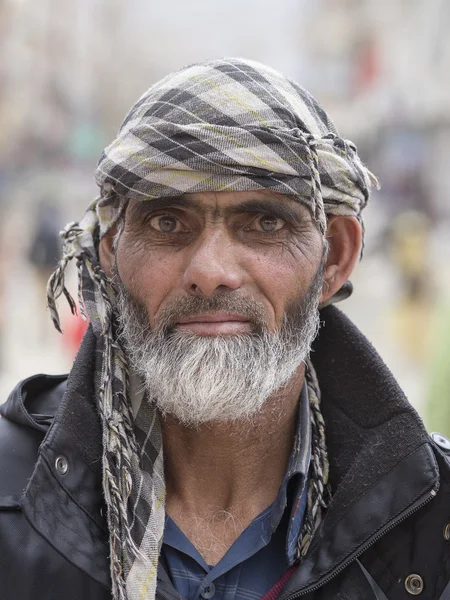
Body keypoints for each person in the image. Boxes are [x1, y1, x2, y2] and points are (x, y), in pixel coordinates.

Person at [0, 58, 449, 600]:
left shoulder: (431, 523)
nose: (211, 272)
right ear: (111, 256)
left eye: (264, 223)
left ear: (334, 257)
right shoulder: (13, 499)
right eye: (168, 223)